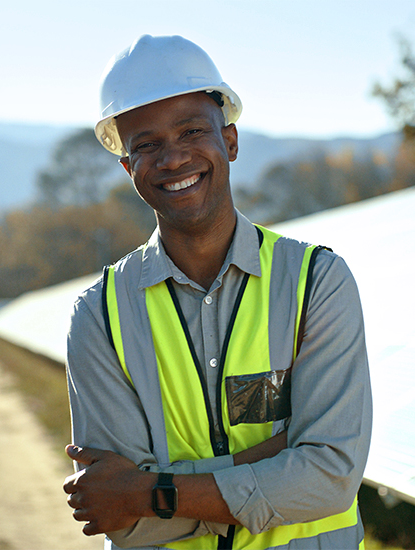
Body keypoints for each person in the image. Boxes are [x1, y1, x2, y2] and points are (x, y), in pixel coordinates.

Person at [63, 34, 372, 550]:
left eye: (191, 131)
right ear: (127, 168)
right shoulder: (99, 315)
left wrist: (151, 490)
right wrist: (273, 463)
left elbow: (330, 479)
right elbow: (119, 517)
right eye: (147, 145)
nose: (173, 158)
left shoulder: (316, 282)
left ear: (229, 140)